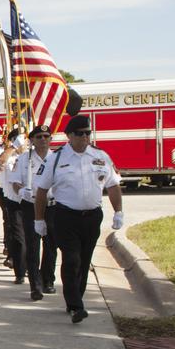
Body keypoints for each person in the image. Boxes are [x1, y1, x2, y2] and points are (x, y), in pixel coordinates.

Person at [33, 115, 124, 323]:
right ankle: (75, 305)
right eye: (79, 133)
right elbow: (41, 191)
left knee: (84, 261)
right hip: (65, 216)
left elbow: (112, 185)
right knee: (71, 259)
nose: (84, 137)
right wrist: (39, 220)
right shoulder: (56, 159)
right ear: (69, 136)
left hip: (92, 217)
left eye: (87, 133)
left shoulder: (100, 156)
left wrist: (118, 211)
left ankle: (76, 298)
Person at [7, 125, 58, 301]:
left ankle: (48, 280)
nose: (43, 139)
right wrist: (21, 191)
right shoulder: (24, 159)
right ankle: (35, 286)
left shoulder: (57, 158)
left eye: (46, 136)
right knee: (33, 246)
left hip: (52, 206)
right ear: (32, 140)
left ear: (51, 138)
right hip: (31, 205)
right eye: (39, 137)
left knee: (51, 245)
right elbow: (14, 181)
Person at [0, 127, 26, 276]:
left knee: (28, 232)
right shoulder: (2, 150)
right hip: (8, 195)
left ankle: (26, 262)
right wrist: (13, 148)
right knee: (12, 228)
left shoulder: (29, 151)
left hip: (28, 197)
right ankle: (13, 257)